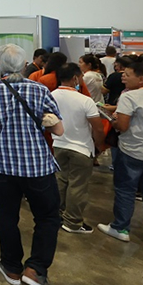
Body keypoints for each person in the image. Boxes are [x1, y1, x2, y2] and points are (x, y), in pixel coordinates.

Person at [0, 43, 64, 285]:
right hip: (37, 166)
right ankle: (36, 269)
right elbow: (58, 129)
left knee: (7, 217)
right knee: (47, 217)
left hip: (3, 165)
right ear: (25, 65)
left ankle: (12, 267)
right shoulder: (40, 90)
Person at [98, 62, 143, 248]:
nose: (123, 77)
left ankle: (120, 228)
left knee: (125, 190)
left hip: (132, 149)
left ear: (141, 79)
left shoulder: (129, 96)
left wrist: (112, 121)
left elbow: (123, 126)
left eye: (128, 74)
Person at [52, 63, 104, 234]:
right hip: (81, 148)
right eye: (80, 76)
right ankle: (73, 222)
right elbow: (97, 128)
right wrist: (99, 145)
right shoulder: (85, 100)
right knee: (77, 186)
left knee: (60, 180)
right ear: (75, 78)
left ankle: (56, 214)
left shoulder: (50, 96)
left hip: (58, 145)